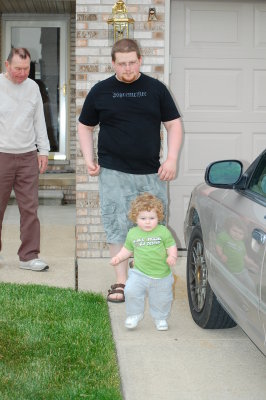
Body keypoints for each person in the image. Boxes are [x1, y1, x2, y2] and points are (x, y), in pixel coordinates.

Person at [78, 38, 182, 302]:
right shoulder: (101, 90)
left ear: (140, 60)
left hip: (150, 173)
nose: (127, 68)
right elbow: (84, 126)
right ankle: (122, 283)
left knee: (153, 227)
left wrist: (171, 159)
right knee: (116, 224)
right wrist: (89, 158)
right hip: (113, 172)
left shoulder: (155, 89)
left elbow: (173, 124)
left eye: (132, 63)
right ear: (113, 63)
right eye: (122, 64)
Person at [0, 47, 50, 271]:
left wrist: (44, 151)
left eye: (26, 68)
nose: (22, 73)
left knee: (30, 209)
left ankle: (29, 256)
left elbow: (39, 120)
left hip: (28, 155)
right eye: (18, 68)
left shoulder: (33, 88)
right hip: (1, 154)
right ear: (7, 65)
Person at [111, 193, 178, 331]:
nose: (147, 222)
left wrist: (172, 256)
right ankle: (134, 315)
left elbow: (171, 245)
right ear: (135, 218)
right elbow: (127, 249)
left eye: (152, 218)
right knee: (130, 291)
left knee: (162, 299)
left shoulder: (163, 231)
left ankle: (160, 318)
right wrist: (119, 257)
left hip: (161, 275)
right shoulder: (133, 233)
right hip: (139, 273)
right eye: (143, 218)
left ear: (158, 217)